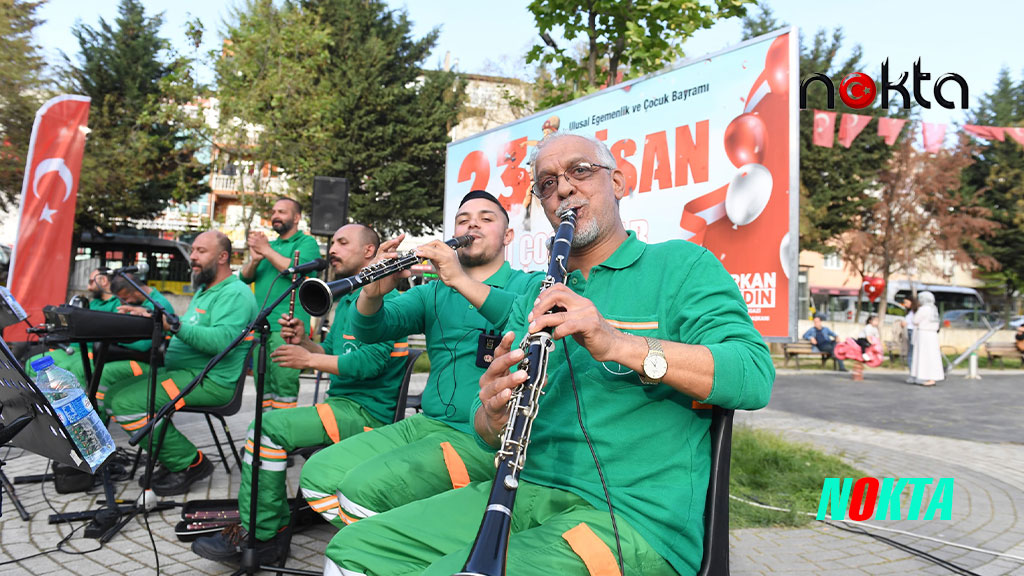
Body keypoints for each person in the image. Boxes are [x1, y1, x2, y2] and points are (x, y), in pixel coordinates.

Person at [320, 134, 775, 576]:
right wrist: (491, 414)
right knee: (353, 551)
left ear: (616, 184)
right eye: (548, 183)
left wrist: (619, 343)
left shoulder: (681, 265)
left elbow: (753, 375)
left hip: (630, 517)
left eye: (580, 171)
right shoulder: (534, 297)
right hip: (525, 491)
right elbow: (483, 429)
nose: (564, 188)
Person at [298, 190, 538, 530]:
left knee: (362, 491)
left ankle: (390, 544)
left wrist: (459, 279)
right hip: (427, 424)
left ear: (508, 236)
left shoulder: (529, 284)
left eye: (486, 219)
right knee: (319, 474)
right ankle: (392, 541)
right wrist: (371, 291)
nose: (473, 225)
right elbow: (371, 329)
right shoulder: (431, 292)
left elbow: (526, 317)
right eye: (463, 220)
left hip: (485, 439)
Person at [191, 224, 409, 565]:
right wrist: (304, 342)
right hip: (341, 406)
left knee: (267, 429)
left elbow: (369, 364)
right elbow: (333, 350)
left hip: (367, 415)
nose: (332, 249)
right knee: (267, 427)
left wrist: (308, 359)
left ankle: (264, 537)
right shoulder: (349, 298)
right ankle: (269, 524)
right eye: (332, 242)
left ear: (370, 252)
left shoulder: (389, 301)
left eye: (342, 242)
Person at [109, 230, 257, 495]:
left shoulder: (235, 293)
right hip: (185, 373)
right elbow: (190, 326)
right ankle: (170, 458)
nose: (193, 257)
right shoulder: (205, 290)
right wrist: (151, 316)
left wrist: (173, 325)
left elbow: (221, 341)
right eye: (192, 251)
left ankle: (190, 463)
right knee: (113, 395)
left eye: (201, 251)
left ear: (223, 257)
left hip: (209, 380)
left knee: (127, 404)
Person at [240, 197, 321, 411]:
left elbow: (297, 270)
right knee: (263, 390)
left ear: (296, 218)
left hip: (287, 328)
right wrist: (256, 258)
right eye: (274, 212)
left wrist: (265, 250)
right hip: (261, 330)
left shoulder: (306, 243)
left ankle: (281, 438)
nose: (275, 216)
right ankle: (264, 435)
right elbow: (245, 277)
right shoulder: (270, 246)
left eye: (282, 212)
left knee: (283, 389)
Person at [910, 291, 944, 386]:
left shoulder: (924, 309)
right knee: (932, 356)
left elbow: (915, 320)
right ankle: (931, 378)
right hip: (932, 335)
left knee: (923, 356)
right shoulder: (934, 309)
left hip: (923, 334)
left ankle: (922, 376)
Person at [900, 296, 918, 371]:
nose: (905, 304)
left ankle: (913, 371)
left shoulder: (915, 312)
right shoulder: (910, 312)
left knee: (912, 351)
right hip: (910, 331)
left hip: (913, 331)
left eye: (906, 302)